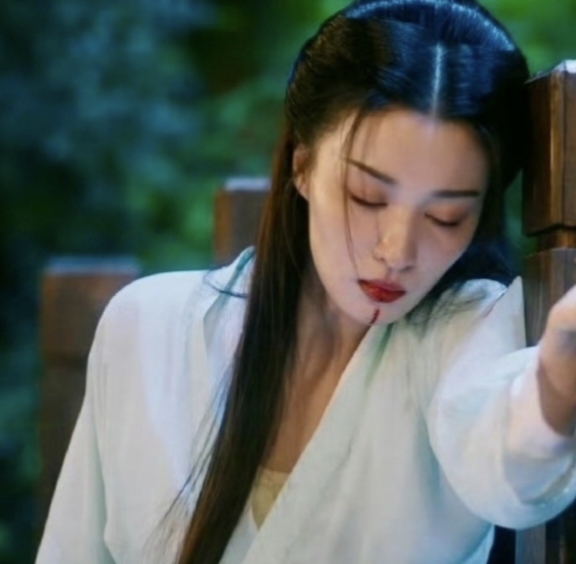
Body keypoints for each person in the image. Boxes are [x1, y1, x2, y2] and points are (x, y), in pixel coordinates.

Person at [37, 0, 576, 563]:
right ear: (301, 166)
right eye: (366, 197)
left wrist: (560, 378)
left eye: (446, 217)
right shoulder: (147, 327)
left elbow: (509, 456)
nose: (396, 252)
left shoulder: (468, 330)